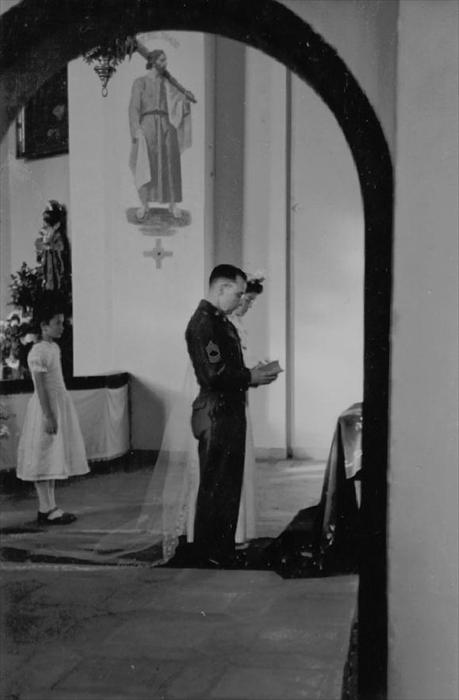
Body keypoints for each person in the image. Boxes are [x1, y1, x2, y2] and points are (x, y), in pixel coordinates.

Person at [185, 264, 279, 566]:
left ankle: (221, 550)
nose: (240, 300)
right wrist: (250, 376)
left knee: (227, 488)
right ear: (221, 288)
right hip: (216, 413)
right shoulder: (205, 325)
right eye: (237, 293)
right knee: (216, 488)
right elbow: (215, 372)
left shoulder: (217, 321)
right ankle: (209, 553)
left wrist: (253, 374)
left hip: (227, 412)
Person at [16, 304, 89, 524]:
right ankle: (46, 508)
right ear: (44, 326)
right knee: (43, 456)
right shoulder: (38, 351)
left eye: (62, 322)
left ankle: (49, 507)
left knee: (52, 457)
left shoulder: (53, 348)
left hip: (58, 404)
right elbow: (40, 387)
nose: (62, 327)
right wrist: (48, 415)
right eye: (57, 323)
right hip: (45, 407)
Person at [128, 49, 195, 222]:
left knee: (170, 162)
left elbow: (178, 100)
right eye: (162, 60)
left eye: (166, 60)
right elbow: (134, 107)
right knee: (146, 162)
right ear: (154, 62)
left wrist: (186, 99)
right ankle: (144, 204)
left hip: (165, 124)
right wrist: (136, 128)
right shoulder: (140, 82)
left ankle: (172, 203)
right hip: (148, 125)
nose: (166, 64)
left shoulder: (168, 83)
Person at [229, 275, 265, 546]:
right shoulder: (218, 326)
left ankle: (239, 530)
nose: (248, 306)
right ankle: (229, 531)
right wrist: (249, 374)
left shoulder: (236, 324)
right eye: (247, 299)